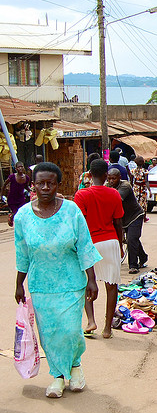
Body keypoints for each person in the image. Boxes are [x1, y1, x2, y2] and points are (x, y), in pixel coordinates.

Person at [14, 162, 101, 398]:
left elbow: (84, 246)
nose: (45, 187)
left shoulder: (71, 211)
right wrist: (18, 283)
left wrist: (91, 279)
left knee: (70, 330)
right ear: (33, 185)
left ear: (57, 185)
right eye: (40, 183)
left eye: (50, 183)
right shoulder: (23, 216)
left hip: (72, 283)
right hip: (41, 285)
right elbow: (22, 253)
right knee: (49, 333)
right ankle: (58, 376)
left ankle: (75, 367)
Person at [74, 159, 124, 339]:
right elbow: (118, 222)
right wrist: (120, 245)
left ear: (89, 175)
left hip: (89, 243)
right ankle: (107, 328)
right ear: (105, 176)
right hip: (110, 241)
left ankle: (90, 321)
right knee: (111, 287)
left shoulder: (81, 195)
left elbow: (79, 225)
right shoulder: (114, 194)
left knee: (88, 283)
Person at [107, 168, 148, 274]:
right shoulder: (107, 186)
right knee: (133, 240)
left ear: (119, 178)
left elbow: (117, 199)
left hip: (135, 216)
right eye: (109, 178)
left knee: (131, 239)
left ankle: (133, 265)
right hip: (122, 219)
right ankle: (143, 257)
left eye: (114, 179)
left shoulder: (125, 186)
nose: (111, 181)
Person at [2, 161, 31, 227]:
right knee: (16, 212)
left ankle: (22, 225)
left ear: (24, 168)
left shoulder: (26, 178)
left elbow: (26, 186)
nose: (20, 168)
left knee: (22, 212)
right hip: (12, 199)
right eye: (18, 167)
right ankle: (11, 216)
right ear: (16, 168)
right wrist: (2, 195)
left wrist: (31, 190)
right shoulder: (12, 177)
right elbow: (4, 185)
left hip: (21, 198)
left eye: (21, 166)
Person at [130, 156, 151, 220]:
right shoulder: (145, 171)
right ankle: (143, 217)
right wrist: (150, 190)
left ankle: (134, 216)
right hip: (142, 188)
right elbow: (146, 181)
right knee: (143, 202)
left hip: (135, 187)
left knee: (135, 201)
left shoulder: (133, 171)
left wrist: (131, 188)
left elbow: (131, 180)